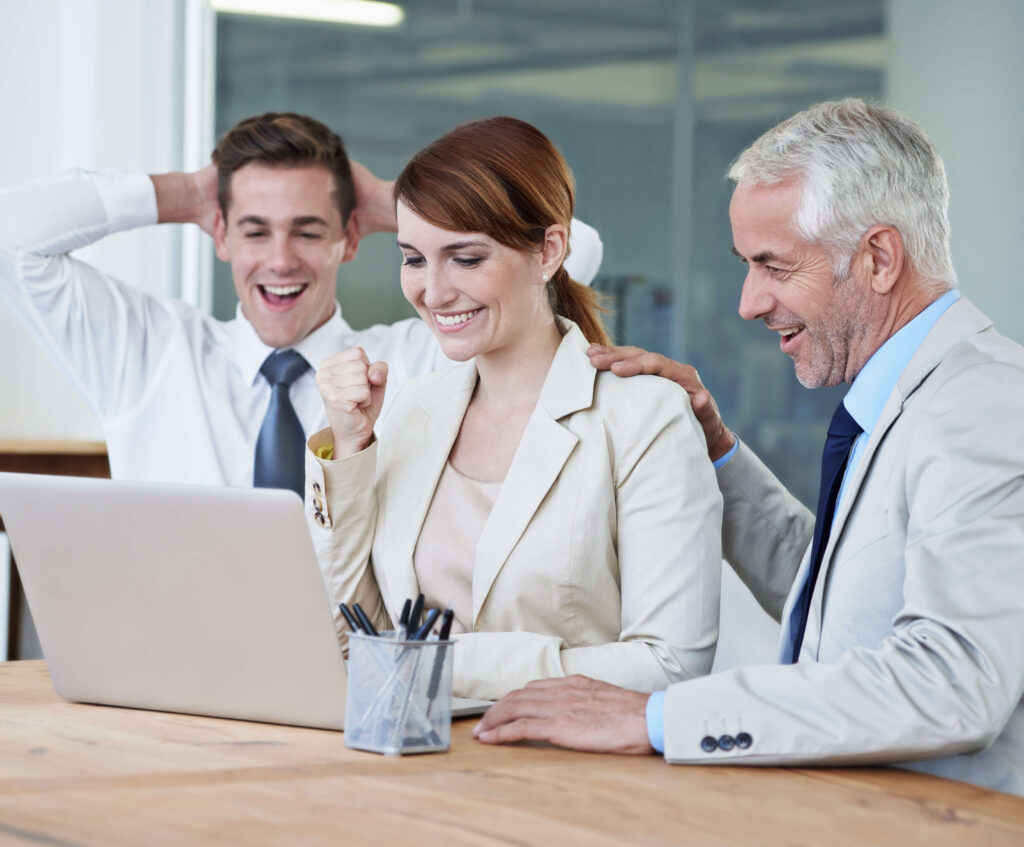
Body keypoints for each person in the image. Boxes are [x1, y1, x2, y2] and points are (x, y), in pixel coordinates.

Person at [474, 99, 1024, 796]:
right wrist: (716, 451)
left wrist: (659, 716)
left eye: (774, 265)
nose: (749, 301)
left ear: (879, 258)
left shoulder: (985, 405)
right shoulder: (905, 401)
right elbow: (842, 602)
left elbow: (951, 680)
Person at [304, 117, 723, 701]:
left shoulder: (645, 418)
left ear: (549, 251)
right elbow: (356, 642)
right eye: (414, 259)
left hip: (568, 778)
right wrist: (349, 448)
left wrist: (445, 663)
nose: (434, 290)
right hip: (413, 771)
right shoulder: (412, 410)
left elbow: (672, 665)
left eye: (466, 259)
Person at [0, 112, 603, 494]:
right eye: (256, 229)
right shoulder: (148, 353)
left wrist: (403, 205)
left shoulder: (416, 361)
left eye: (309, 230)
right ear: (220, 234)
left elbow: (570, 253)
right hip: (183, 680)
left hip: (354, 674)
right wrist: (186, 193)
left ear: (349, 237)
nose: (282, 259)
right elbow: (11, 235)